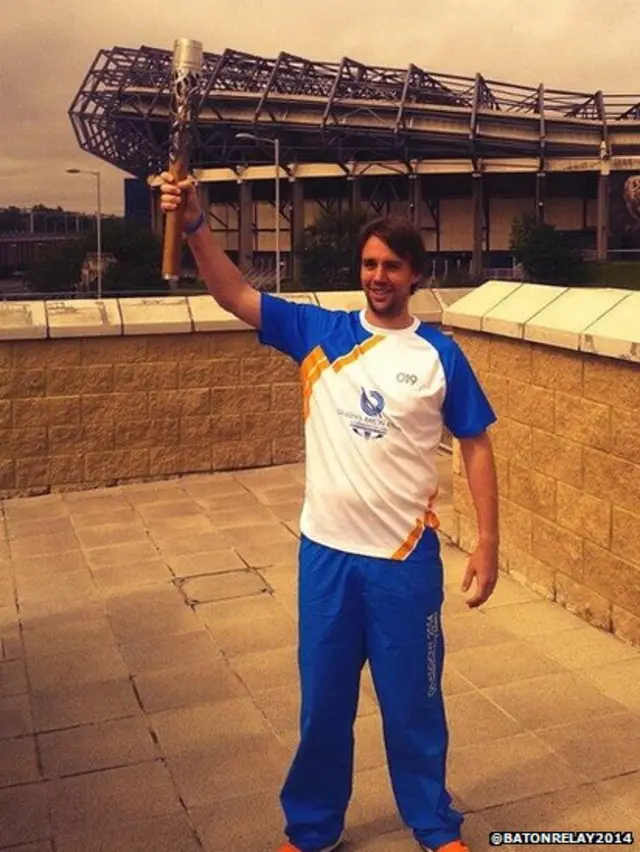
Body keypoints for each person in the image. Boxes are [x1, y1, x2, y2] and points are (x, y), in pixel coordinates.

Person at [160, 174, 499, 852]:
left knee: (415, 709)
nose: (378, 276)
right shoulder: (318, 331)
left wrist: (488, 543)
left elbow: (476, 445)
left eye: (391, 266)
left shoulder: (440, 356)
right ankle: (312, 829)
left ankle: (433, 825)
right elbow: (232, 293)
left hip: (404, 563)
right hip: (326, 557)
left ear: (415, 275)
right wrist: (196, 224)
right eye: (370, 264)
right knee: (323, 711)